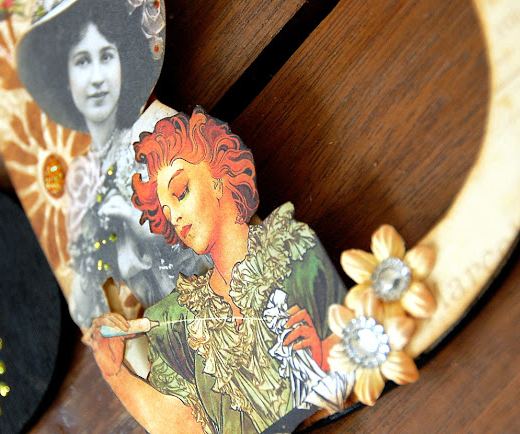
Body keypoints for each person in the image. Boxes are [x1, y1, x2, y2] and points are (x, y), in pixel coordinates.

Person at [84, 108, 353, 433]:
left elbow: (363, 343)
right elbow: (185, 426)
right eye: (166, 212)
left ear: (219, 176)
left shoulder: (292, 252)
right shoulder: (173, 320)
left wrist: (325, 355)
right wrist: (115, 373)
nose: (175, 217)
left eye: (181, 192)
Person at [16, 0, 210, 330]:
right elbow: (86, 305)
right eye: (81, 62)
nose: (96, 78)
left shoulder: (158, 131)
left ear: (122, 60)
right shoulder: (81, 179)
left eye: (106, 56)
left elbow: (209, 223)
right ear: (65, 79)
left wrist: (135, 222)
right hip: (165, 333)